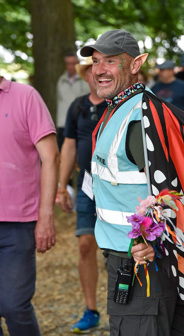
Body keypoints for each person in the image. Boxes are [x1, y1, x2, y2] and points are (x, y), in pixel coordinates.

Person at [80, 29, 184, 336]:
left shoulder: (139, 117)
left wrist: (148, 238)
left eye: (110, 61)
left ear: (136, 65)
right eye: (95, 61)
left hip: (141, 265)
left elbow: (173, 189)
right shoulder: (122, 108)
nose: (99, 70)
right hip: (137, 262)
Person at [0, 76, 59, 335]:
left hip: (18, 223)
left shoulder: (26, 96)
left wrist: (45, 216)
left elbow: (52, 157)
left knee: (14, 305)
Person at [58, 57, 107, 334]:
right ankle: (91, 309)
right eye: (89, 70)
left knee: (121, 250)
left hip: (117, 188)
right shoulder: (77, 107)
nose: (95, 73)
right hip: (86, 186)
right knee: (86, 244)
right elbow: (68, 146)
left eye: (99, 68)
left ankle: (125, 308)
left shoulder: (118, 105)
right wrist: (61, 186)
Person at [56, 51, 89, 150]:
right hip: (63, 123)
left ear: (78, 63)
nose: (71, 66)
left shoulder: (85, 80)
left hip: (80, 122)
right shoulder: (61, 81)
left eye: (73, 63)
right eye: (68, 64)